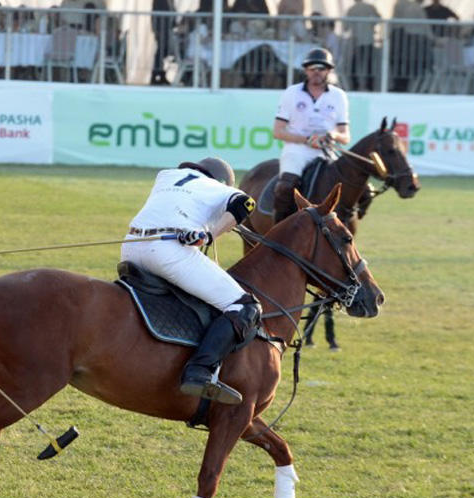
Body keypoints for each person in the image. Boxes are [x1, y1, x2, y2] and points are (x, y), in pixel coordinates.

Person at [121, 156, 260, 405]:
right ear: (221, 181)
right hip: (166, 252)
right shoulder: (218, 188)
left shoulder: (166, 176)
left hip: (131, 247)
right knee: (245, 306)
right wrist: (208, 234)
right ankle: (200, 371)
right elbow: (245, 203)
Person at [271, 47, 350, 223]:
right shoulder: (292, 92)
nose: (316, 72)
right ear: (306, 70)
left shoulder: (339, 96)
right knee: (286, 186)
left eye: (321, 68)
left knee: (355, 188)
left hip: (326, 152)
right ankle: (279, 229)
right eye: (312, 68)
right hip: (297, 150)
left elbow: (345, 136)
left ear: (329, 71)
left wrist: (333, 135)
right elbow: (278, 131)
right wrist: (306, 140)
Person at [345, 0, 381, 90]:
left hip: (357, 40)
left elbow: (345, 27)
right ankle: (370, 85)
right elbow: (378, 18)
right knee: (369, 62)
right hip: (369, 39)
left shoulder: (352, 9)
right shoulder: (369, 7)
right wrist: (371, 25)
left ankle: (355, 84)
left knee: (355, 63)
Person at [151, 0, 178, 84]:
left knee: (164, 51)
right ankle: (156, 74)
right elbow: (154, 14)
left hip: (169, 28)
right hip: (161, 28)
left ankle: (161, 73)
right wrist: (155, 29)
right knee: (160, 51)